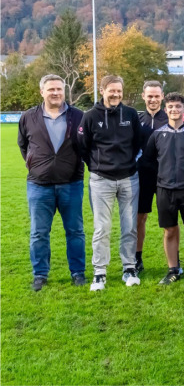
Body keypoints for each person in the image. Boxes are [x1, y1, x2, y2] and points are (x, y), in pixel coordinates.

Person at [18, 74, 86, 291]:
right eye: (51, 89)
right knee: (39, 232)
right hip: (39, 185)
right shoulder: (28, 117)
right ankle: (40, 274)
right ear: (42, 92)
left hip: (71, 184)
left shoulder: (78, 116)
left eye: (59, 89)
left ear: (64, 91)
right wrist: (38, 164)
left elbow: (86, 144)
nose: (55, 93)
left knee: (75, 231)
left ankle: (77, 272)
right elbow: (23, 145)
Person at [78, 75, 142, 291]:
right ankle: (100, 272)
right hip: (101, 180)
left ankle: (129, 268)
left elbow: (137, 144)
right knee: (102, 228)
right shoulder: (90, 116)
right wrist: (96, 167)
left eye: (119, 91)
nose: (115, 94)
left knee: (129, 227)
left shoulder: (131, 114)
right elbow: (82, 147)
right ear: (102, 90)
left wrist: (127, 164)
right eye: (111, 90)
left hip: (128, 179)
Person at [143, 93, 184, 286]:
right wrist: (162, 175)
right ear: (166, 110)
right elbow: (148, 161)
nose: (174, 110)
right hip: (165, 190)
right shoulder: (157, 135)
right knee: (169, 231)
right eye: (171, 107)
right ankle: (173, 269)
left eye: (178, 107)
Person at [135, 80, 168, 274]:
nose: (153, 99)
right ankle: (137, 259)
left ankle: (172, 261)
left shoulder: (170, 118)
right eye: (150, 96)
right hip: (142, 176)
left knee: (169, 221)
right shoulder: (137, 120)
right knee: (140, 218)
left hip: (166, 176)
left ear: (162, 96)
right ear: (143, 96)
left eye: (157, 96)